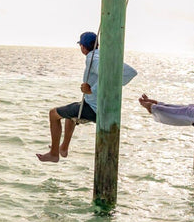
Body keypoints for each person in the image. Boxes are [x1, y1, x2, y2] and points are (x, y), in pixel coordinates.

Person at [37, 31, 138, 162]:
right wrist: (103, 88)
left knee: (53, 114)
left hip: (94, 109)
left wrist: (92, 90)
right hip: (106, 110)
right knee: (70, 115)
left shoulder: (91, 57)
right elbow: (131, 72)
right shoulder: (105, 55)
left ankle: (54, 153)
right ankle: (63, 148)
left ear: (83, 47)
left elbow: (105, 73)